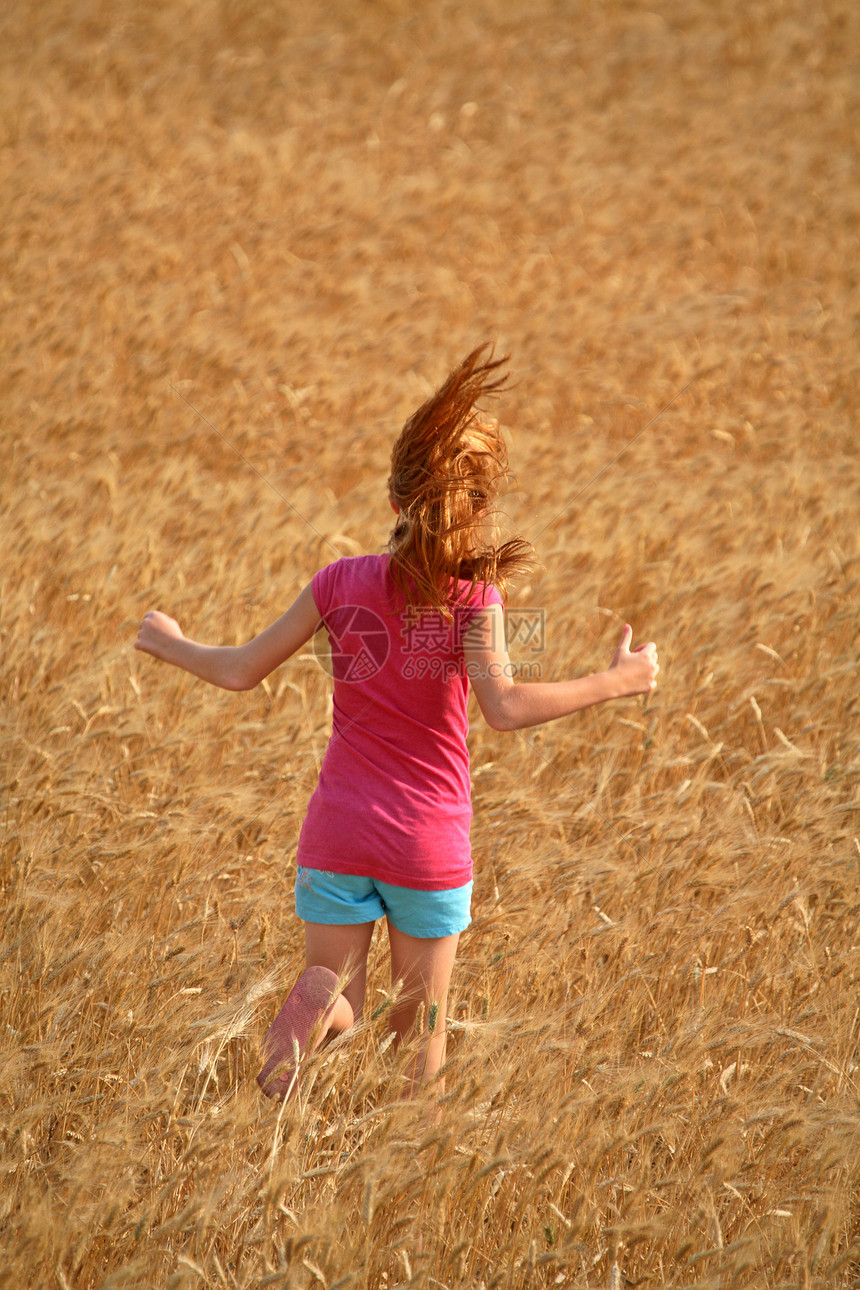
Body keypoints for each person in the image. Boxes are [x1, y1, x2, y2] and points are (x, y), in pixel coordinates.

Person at [134, 345, 659, 1100]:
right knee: (419, 1034)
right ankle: (415, 1186)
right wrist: (616, 680)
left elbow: (241, 669)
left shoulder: (340, 582)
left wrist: (172, 642)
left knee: (342, 996)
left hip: (338, 832)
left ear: (394, 502)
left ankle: (322, 1011)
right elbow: (504, 708)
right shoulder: (475, 604)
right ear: (477, 509)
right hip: (426, 842)